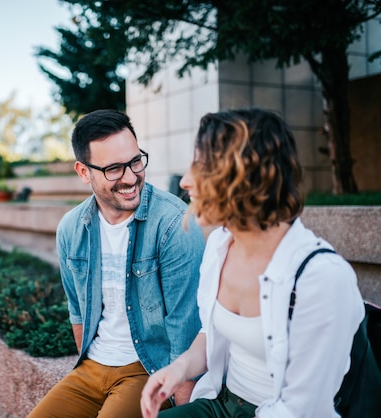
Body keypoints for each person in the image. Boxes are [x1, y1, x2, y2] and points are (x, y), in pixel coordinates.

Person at [140, 108, 365, 418]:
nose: (187, 181)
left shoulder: (322, 277)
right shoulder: (220, 244)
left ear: (245, 177)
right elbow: (211, 333)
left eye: (201, 166)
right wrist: (178, 369)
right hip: (221, 404)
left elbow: (301, 409)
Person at [27, 109, 206, 418]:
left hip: (148, 368)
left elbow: (185, 331)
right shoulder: (71, 229)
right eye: (114, 168)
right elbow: (78, 312)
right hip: (91, 368)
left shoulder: (174, 225)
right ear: (84, 172)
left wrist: (182, 410)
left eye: (135, 161)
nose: (130, 177)